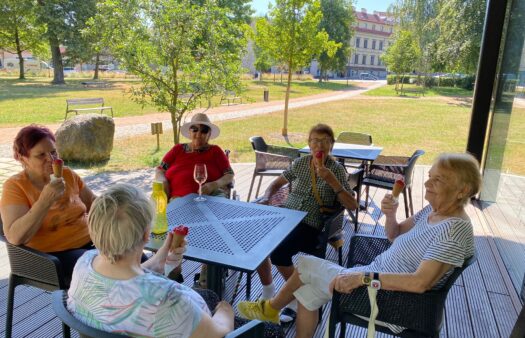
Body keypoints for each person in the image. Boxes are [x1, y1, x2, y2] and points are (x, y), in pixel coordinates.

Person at [237, 153, 481, 338]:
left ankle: (270, 308)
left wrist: (362, 278)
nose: (427, 185)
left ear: (463, 190)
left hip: (390, 301)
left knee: (306, 268)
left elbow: (419, 283)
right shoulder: (432, 211)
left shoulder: (454, 229)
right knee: (307, 292)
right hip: (376, 280)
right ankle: (271, 309)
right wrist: (390, 215)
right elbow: (394, 234)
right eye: (429, 177)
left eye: (438, 180)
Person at [68, 183, 283, 338]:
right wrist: (225, 311)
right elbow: (218, 334)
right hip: (194, 326)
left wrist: (161, 260)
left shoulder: (85, 263)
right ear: (146, 235)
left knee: (208, 294)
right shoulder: (167, 299)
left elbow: (122, 285)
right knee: (271, 330)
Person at [254, 124, 359, 314]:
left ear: (331, 146)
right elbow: (277, 182)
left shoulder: (337, 170)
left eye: (325, 141)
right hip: (287, 215)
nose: (320, 146)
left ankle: (295, 296)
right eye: (315, 141)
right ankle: (269, 290)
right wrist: (266, 196)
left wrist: (332, 181)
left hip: (311, 223)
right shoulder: (301, 163)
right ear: (309, 144)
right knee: (258, 239)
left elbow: (352, 205)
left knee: (279, 253)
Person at [0, 125, 96, 283]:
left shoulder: (67, 174)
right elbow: (15, 237)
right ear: (22, 158)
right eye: (40, 155)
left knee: (135, 256)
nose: (51, 160)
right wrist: (45, 200)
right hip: (51, 257)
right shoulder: (15, 186)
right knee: (105, 269)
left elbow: (93, 203)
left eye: (53, 152)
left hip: (92, 241)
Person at [155, 113, 234, 200]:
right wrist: (163, 181)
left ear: (209, 134)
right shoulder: (177, 149)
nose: (199, 134)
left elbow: (229, 175)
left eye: (204, 130)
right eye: (195, 129)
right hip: (178, 200)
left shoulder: (215, 151)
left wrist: (214, 185)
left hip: (209, 198)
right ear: (190, 132)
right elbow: (160, 169)